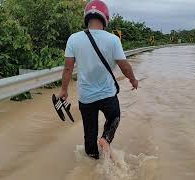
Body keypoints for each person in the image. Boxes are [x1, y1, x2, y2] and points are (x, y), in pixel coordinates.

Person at [58, 0, 138, 159]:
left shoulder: (73, 39)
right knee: (114, 117)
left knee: (89, 135)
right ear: (105, 18)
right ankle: (105, 139)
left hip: (86, 98)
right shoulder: (113, 39)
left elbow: (68, 69)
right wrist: (133, 80)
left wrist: (64, 90)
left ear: (86, 18)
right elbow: (125, 66)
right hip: (108, 95)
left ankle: (92, 159)